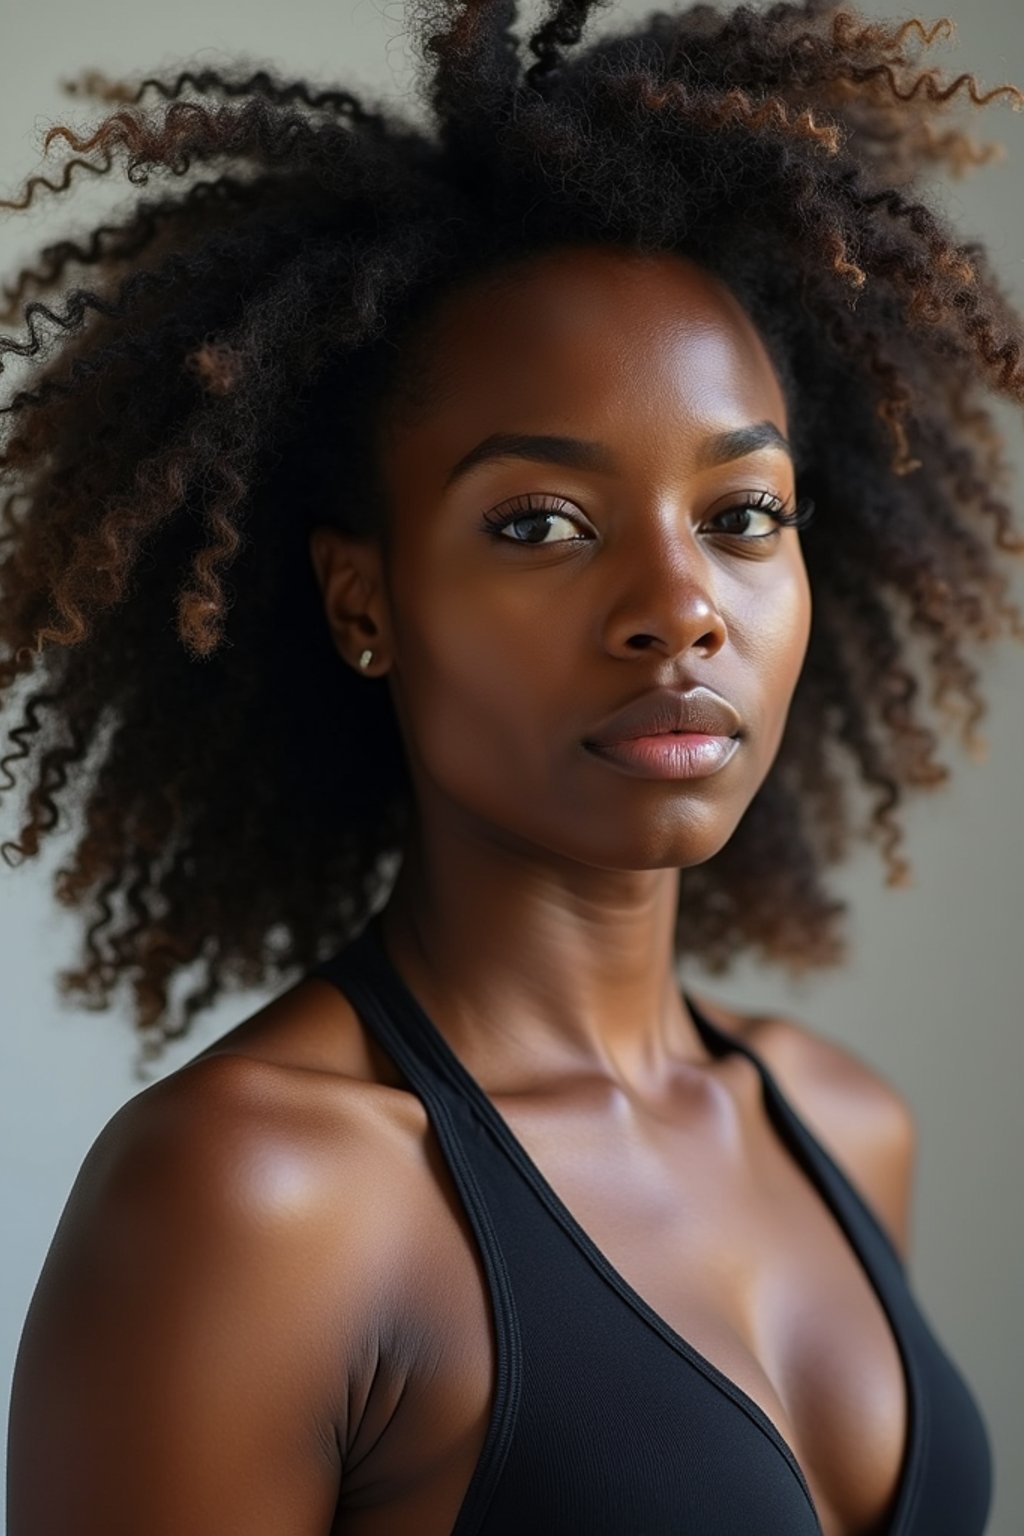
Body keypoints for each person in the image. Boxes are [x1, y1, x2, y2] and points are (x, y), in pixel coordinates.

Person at [4, 1, 1021, 1531]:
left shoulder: (843, 1127)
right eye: (541, 522)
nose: (680, 608)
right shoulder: (255, 1198)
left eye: (744, 515)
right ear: (366, 600)